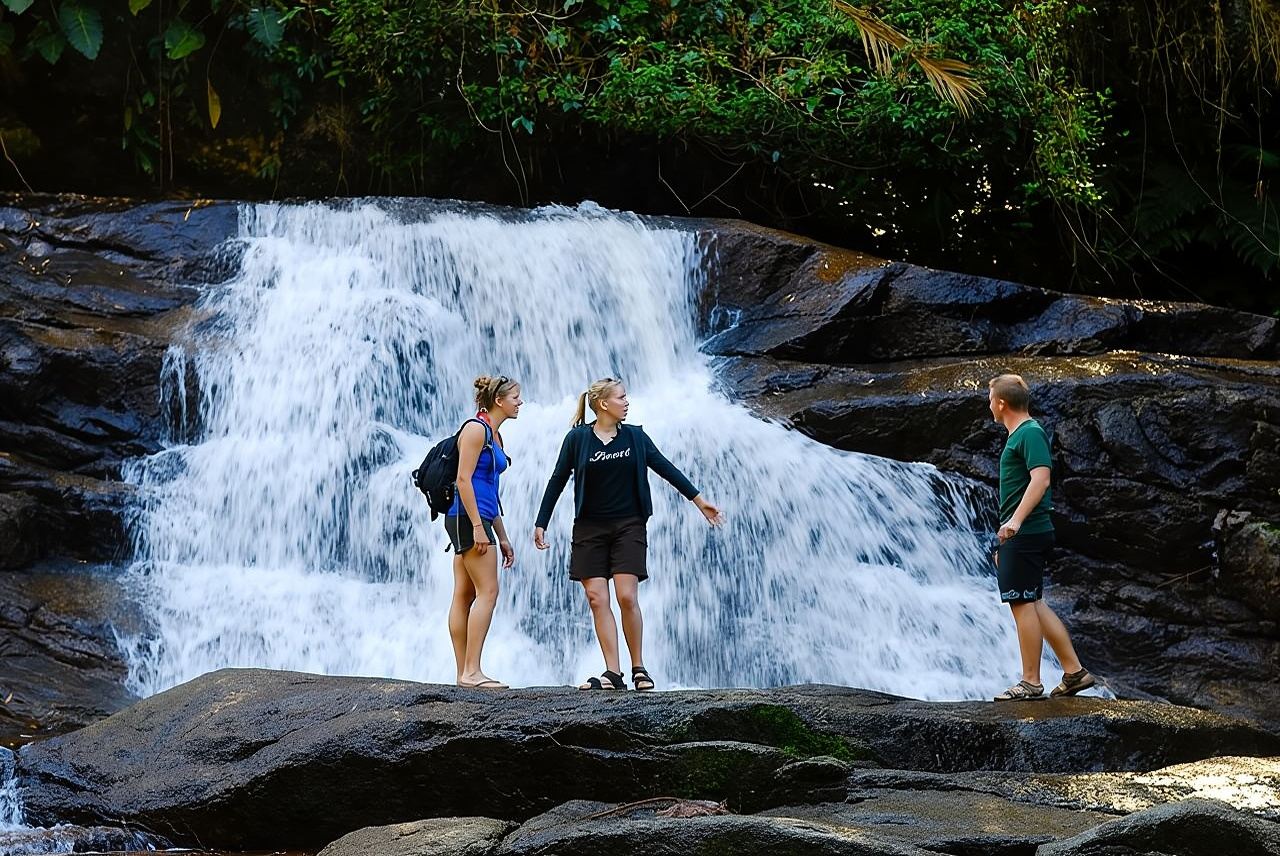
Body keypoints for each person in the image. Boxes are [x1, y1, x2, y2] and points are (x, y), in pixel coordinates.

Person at [534, 377, 723, 691]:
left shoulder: (635, 437)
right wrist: (542, 521)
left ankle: (639, 666)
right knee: (597, 598)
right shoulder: (577, 439)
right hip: (589, 528)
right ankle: (613, 672)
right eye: (621, 398)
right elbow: (557, 479)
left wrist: (699, 501)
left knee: (626, 595)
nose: (627, 402)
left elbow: (665, 467)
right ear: (603, 404)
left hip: (628, 525)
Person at [988, 374, 1095, 701]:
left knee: (1021, 603)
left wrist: (1015, 524)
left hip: (1027, 530)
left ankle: (1031, 682)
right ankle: (1074, 672)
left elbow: (1041, 479)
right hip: (1024, 535)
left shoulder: (1029, 433)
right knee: (1032, 601)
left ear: (1001, 403)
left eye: (990, 398)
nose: (989, 405)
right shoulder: (1021, 435)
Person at [445, 375, 521, 689]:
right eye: (516, 397)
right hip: (467, 517)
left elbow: (491, 489)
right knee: (488, 591)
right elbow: (463, 480)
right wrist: (478, 527)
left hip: (478, 518)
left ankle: (463, 673)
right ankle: (472, 671)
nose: (520, 402)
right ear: (499, 400)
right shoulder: (476, 430)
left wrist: (501, 536)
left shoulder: (495, 436)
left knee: (464, 594)